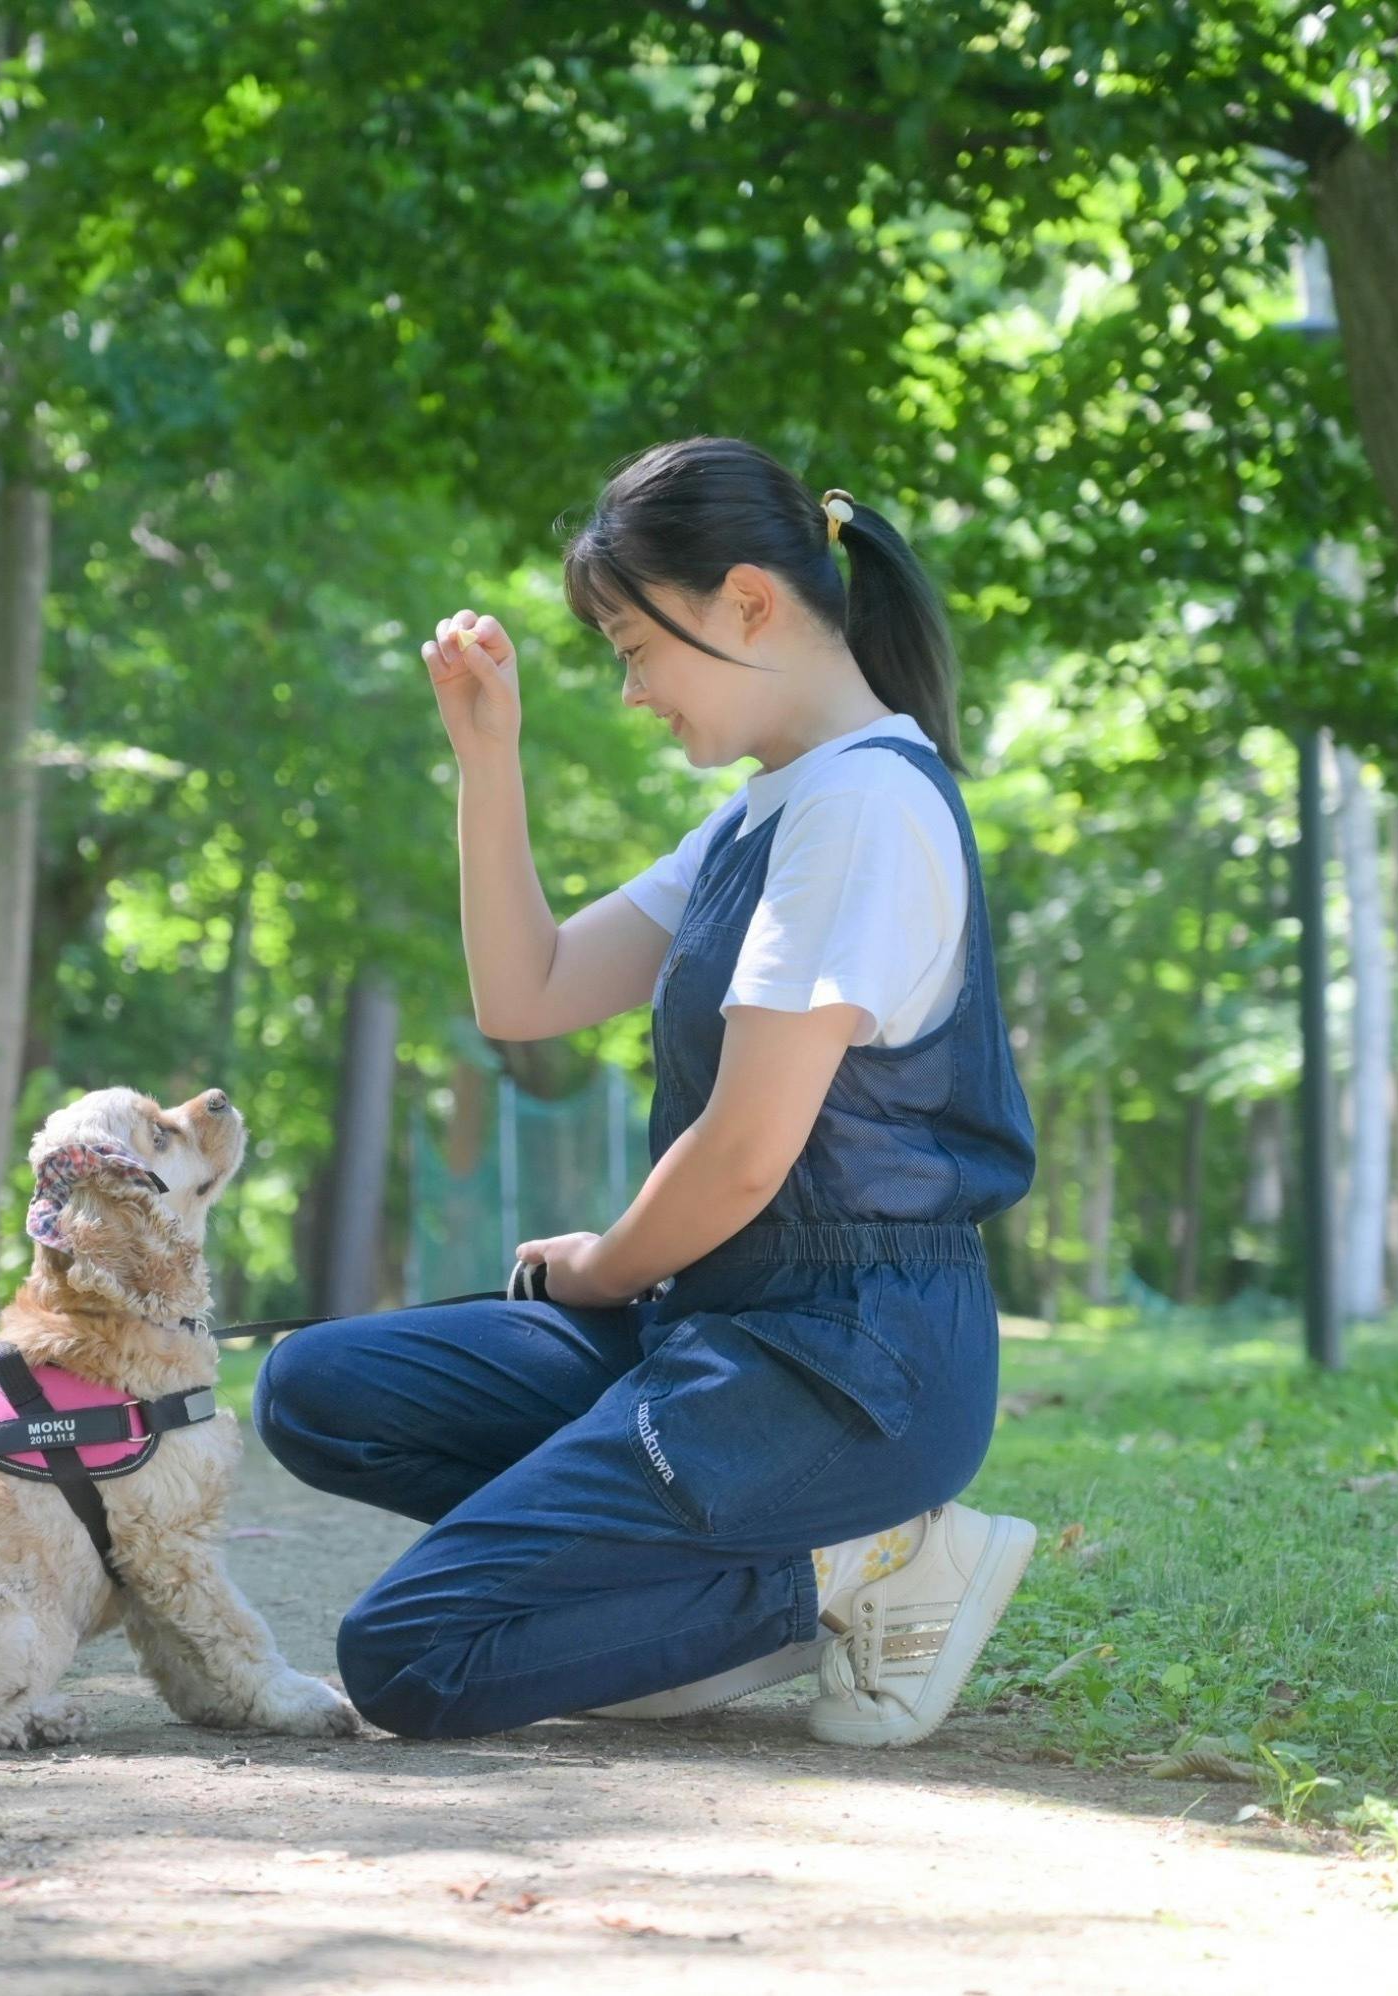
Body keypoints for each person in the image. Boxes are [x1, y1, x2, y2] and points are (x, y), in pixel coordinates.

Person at [253, 436, 1038, 1744]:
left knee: (412, 1657)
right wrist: (484, 753)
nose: (630, 691)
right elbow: (532, 990)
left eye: (634, 648)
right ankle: (684, 1573)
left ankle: (858, 1562)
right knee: (315, 1391)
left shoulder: (864, 812)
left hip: (846, 1370)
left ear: (746, 601)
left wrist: (602, 1269)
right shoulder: (765, 814)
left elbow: (742, 1157)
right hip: (723, 1327)